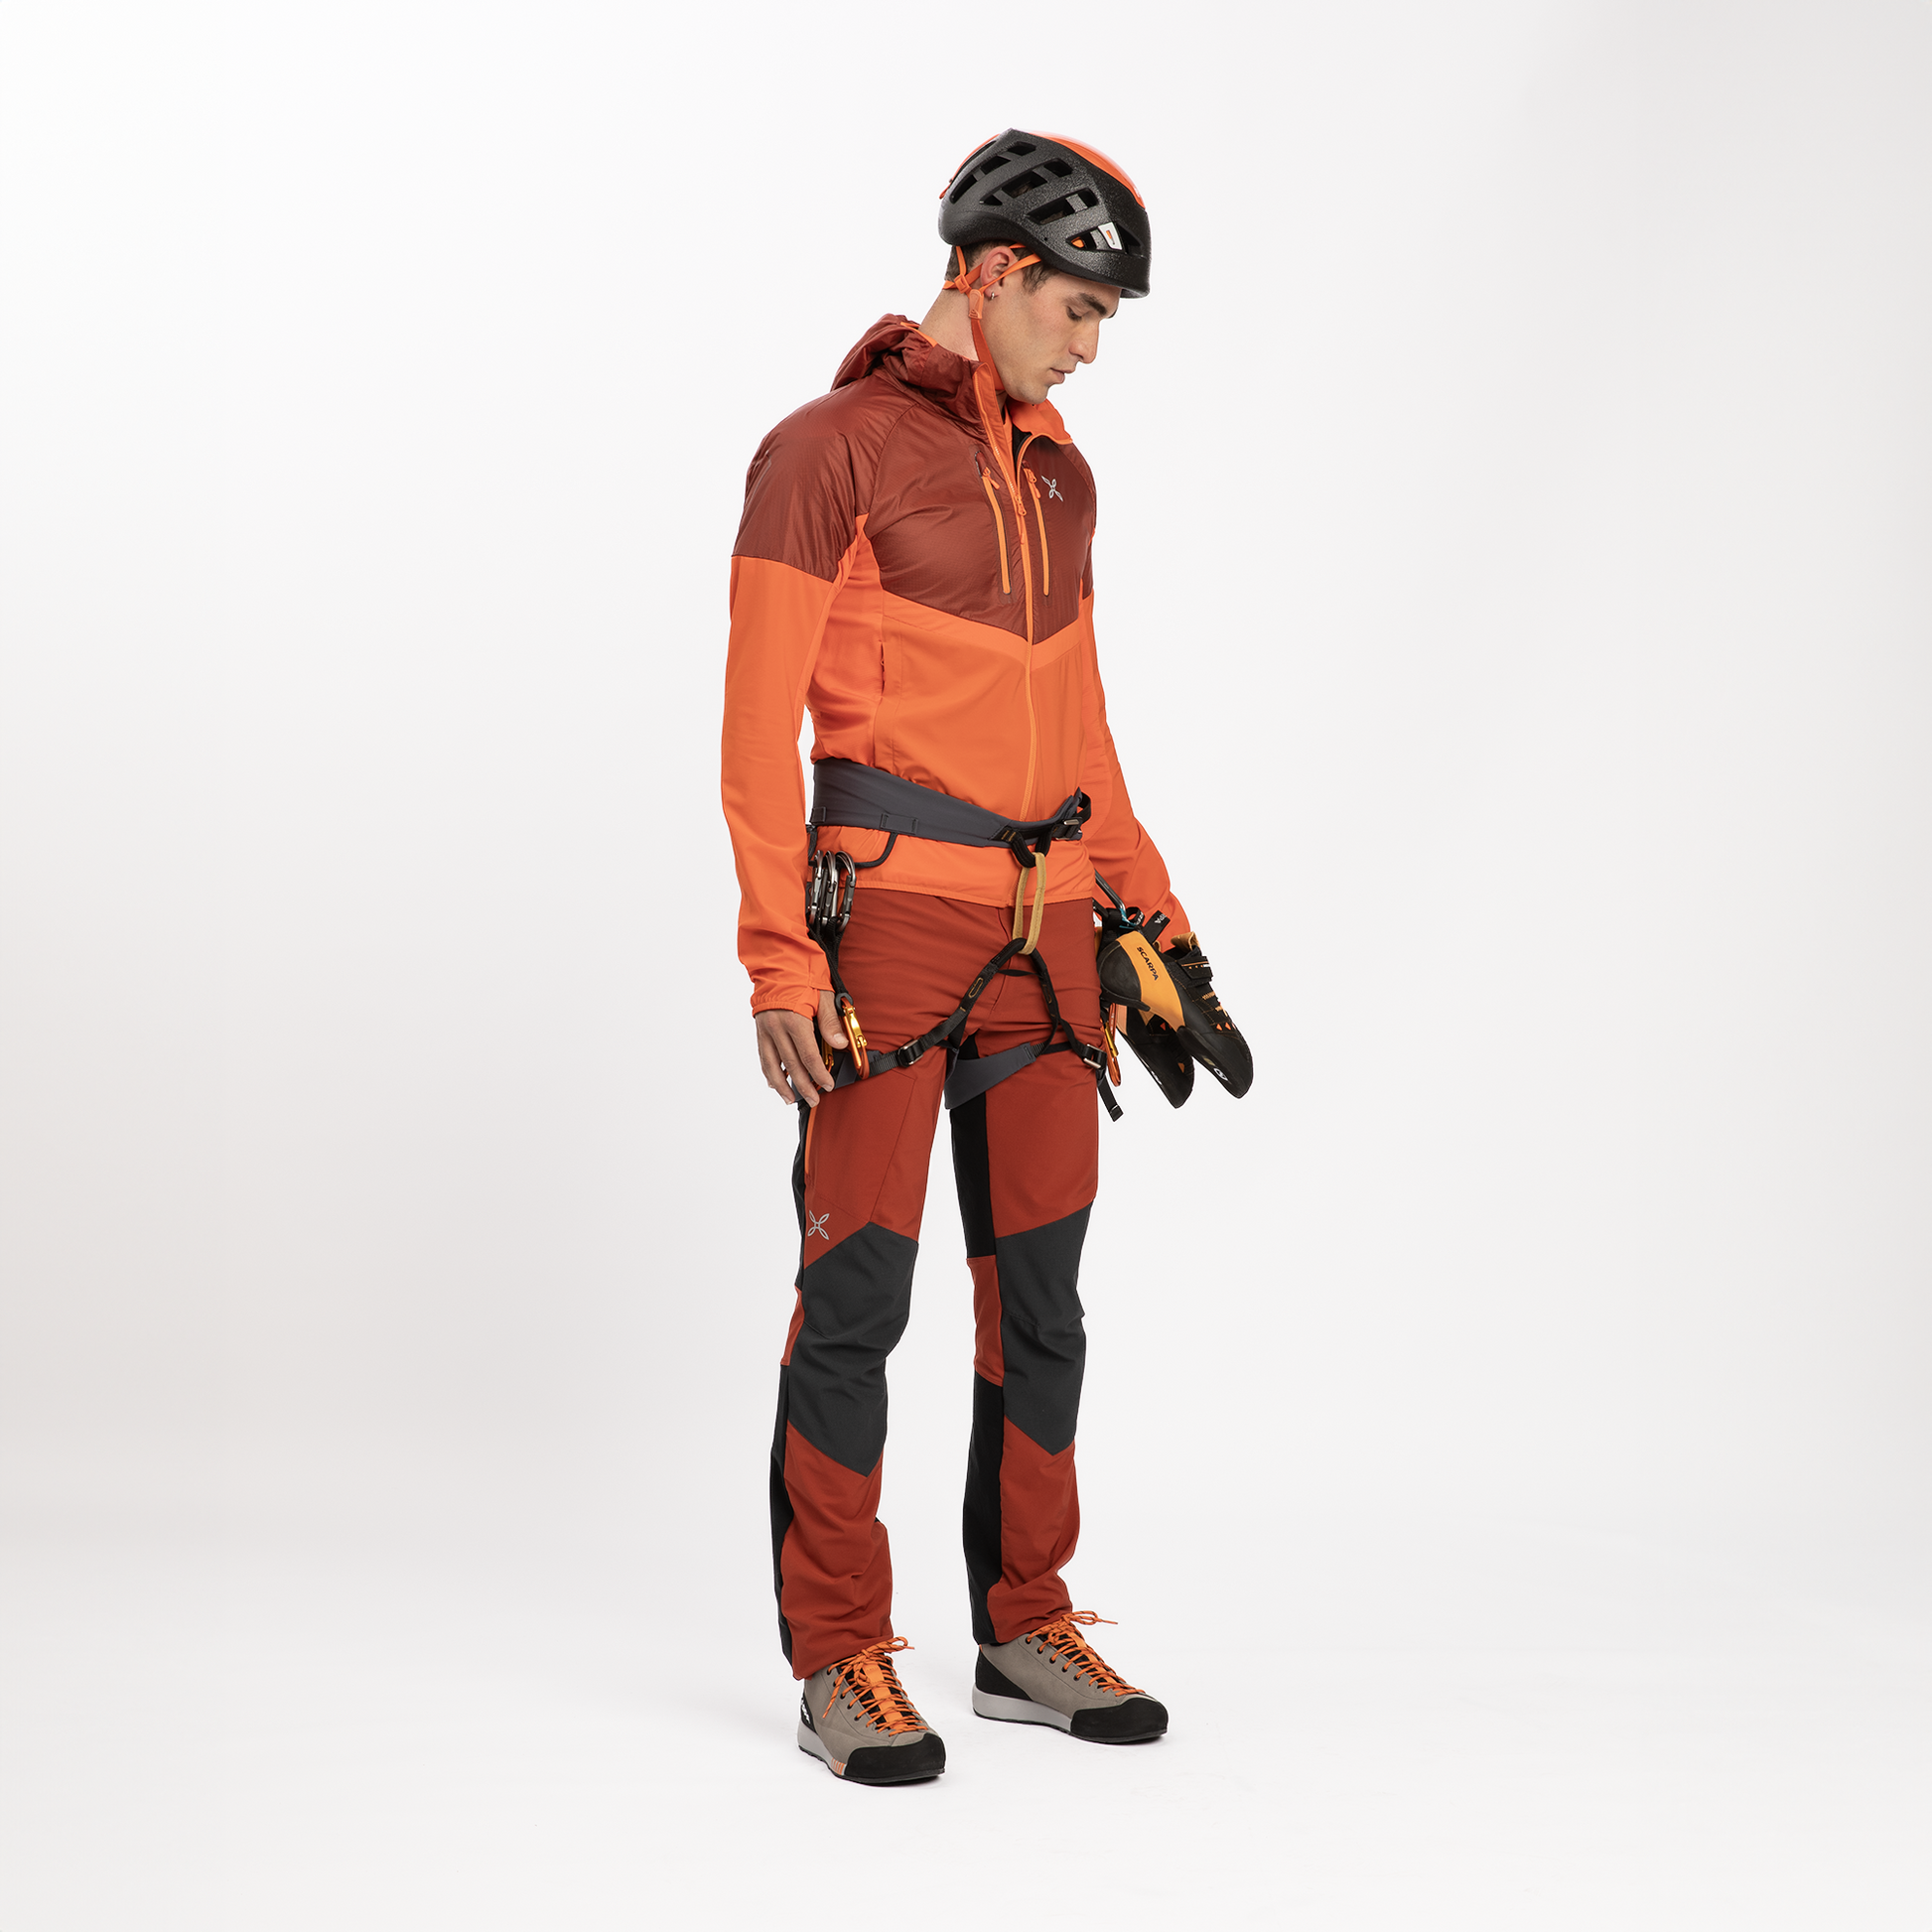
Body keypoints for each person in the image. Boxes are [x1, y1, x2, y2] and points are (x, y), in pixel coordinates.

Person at [720, 129, 1248, 1786]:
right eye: (1078, 310)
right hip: (882, 929)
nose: (1090, 348)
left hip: (1050, 939)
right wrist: (777, 962)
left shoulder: (1062, 473)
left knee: (1042, 1302)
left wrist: (1157, 923)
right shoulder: (824, 451)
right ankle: (841, 1653)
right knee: (856, 1296)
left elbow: (1081, 727)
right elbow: (752, 732)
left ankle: (1025, 1626)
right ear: (993, 270)